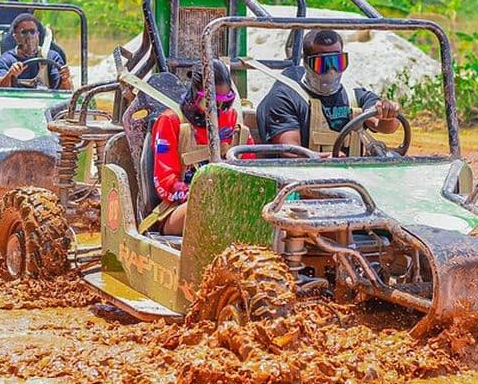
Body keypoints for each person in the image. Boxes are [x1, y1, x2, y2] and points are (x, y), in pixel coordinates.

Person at [143, 59, 254, 235]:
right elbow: (164, 181)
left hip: (230, 203)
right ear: (195, 93)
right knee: (208, 208)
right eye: (209, 103)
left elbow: (251, 169)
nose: (216, 110)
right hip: (180, 208)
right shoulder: (171, 121)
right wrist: (197, 194)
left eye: (224, 103)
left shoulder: (233, 121)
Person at [256, 29, 400, 156]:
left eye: (338, 62)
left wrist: (387, 115)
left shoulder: (354, 97)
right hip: (305, 175)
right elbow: (289, 150)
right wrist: (323, 160)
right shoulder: (285, 98)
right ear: (307, 63)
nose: (332, 71)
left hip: (352, 174)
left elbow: (385, 126)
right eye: (323, 64)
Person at [0, 13, 71, 89]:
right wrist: (10, 74)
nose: (29, 36)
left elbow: (65, 91)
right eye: (24, 32)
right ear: (16, 37)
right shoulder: (5, 60)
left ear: (38, 35)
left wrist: (65, 80)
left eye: (32, 32)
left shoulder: (52, 57)